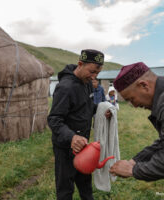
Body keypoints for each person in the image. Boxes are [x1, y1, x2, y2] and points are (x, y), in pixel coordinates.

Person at [48, 49, 112, 200]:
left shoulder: (87, 83)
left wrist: (101, 111)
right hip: (66, 148)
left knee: (85, 186)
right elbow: (54, 119)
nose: (94, 76)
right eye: (92, 71)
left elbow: (87, 107)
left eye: (97, 73)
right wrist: (72, 137)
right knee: (65, 189)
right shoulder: (65, 88)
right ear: (80, 64)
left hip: (84, 146)